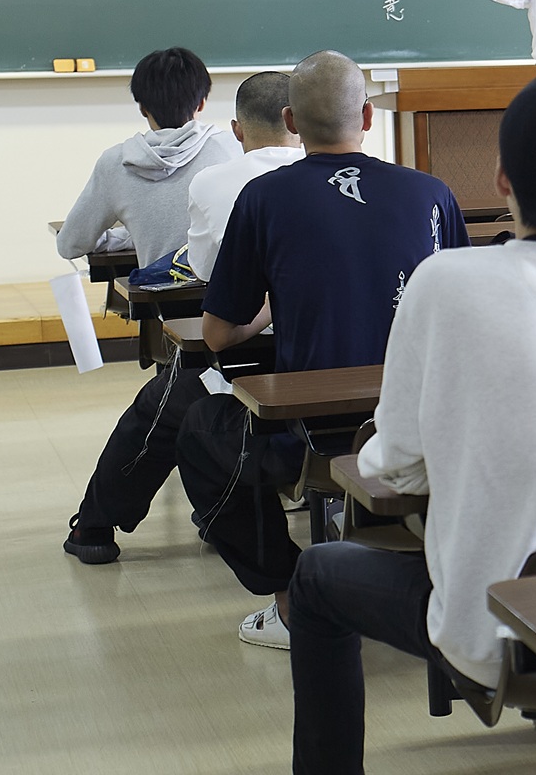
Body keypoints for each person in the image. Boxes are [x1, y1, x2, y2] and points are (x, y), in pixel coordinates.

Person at [283, 70, 536, 775]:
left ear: (503, 178)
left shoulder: (447, 281)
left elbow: (396, 467)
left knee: (318, 576)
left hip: (506, 634)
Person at [177, 50, 468, 649]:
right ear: (368, 116)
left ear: (291, 121)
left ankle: (292, 596)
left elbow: (217, 335)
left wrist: (277, 304)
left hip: (317, 436)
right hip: (428, 426)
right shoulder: (431, 193)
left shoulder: (263, 198)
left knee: (200, 429)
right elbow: (463, 307)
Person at [61, 68, 293, 564]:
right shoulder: (245, 156)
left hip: (216, 333)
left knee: (168, 405)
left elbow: (205, 273)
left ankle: (95, 523)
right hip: (339, 352)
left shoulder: (157, 167)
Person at [55, 46, 238, 265]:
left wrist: (132, 234)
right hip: (228, 286)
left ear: (142, 108)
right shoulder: (233, 148)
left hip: (155, 287)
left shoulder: (116, 162)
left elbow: (69, 244)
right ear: (201, 103)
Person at [186, 70, 306, 281]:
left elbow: (205, 271)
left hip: (250, 300)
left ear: (237, 130)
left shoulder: (207, 182)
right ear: (298, 124)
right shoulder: (333, 174)